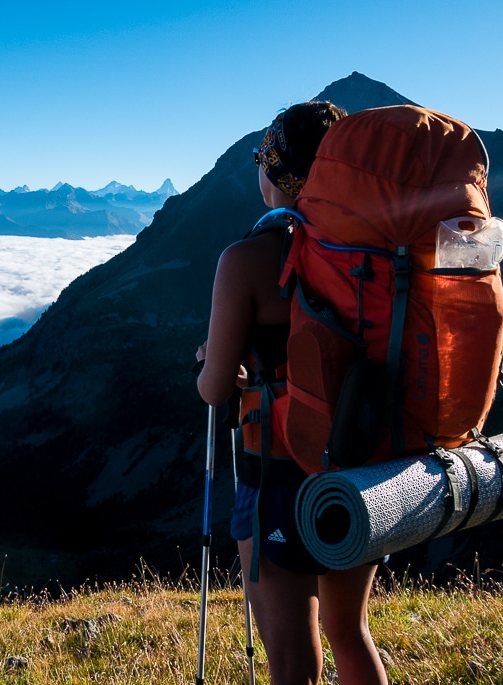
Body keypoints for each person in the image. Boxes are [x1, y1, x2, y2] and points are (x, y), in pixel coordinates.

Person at [195, 101, 388, 685]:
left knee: (291, 655)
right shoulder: (375, 252)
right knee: (349, 632)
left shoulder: (246, 260)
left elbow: (212, 390)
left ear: (276, 173)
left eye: (262, 159)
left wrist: (215, 362)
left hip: (279, 470)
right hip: (364, 462)